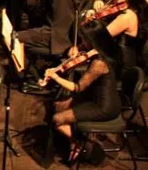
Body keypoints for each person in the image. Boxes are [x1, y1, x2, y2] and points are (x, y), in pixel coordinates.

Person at [46, 22, 122, 164]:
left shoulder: (99, 64)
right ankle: (78, 139)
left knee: (57, 119)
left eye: (84, 40)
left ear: (93, 41)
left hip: (103, 107)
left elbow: (77, 88)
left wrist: (55, 77)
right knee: (58, 105)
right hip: (96, 96)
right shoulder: (107, 50)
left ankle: (80, 142)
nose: (82, 42)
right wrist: (75, 49)